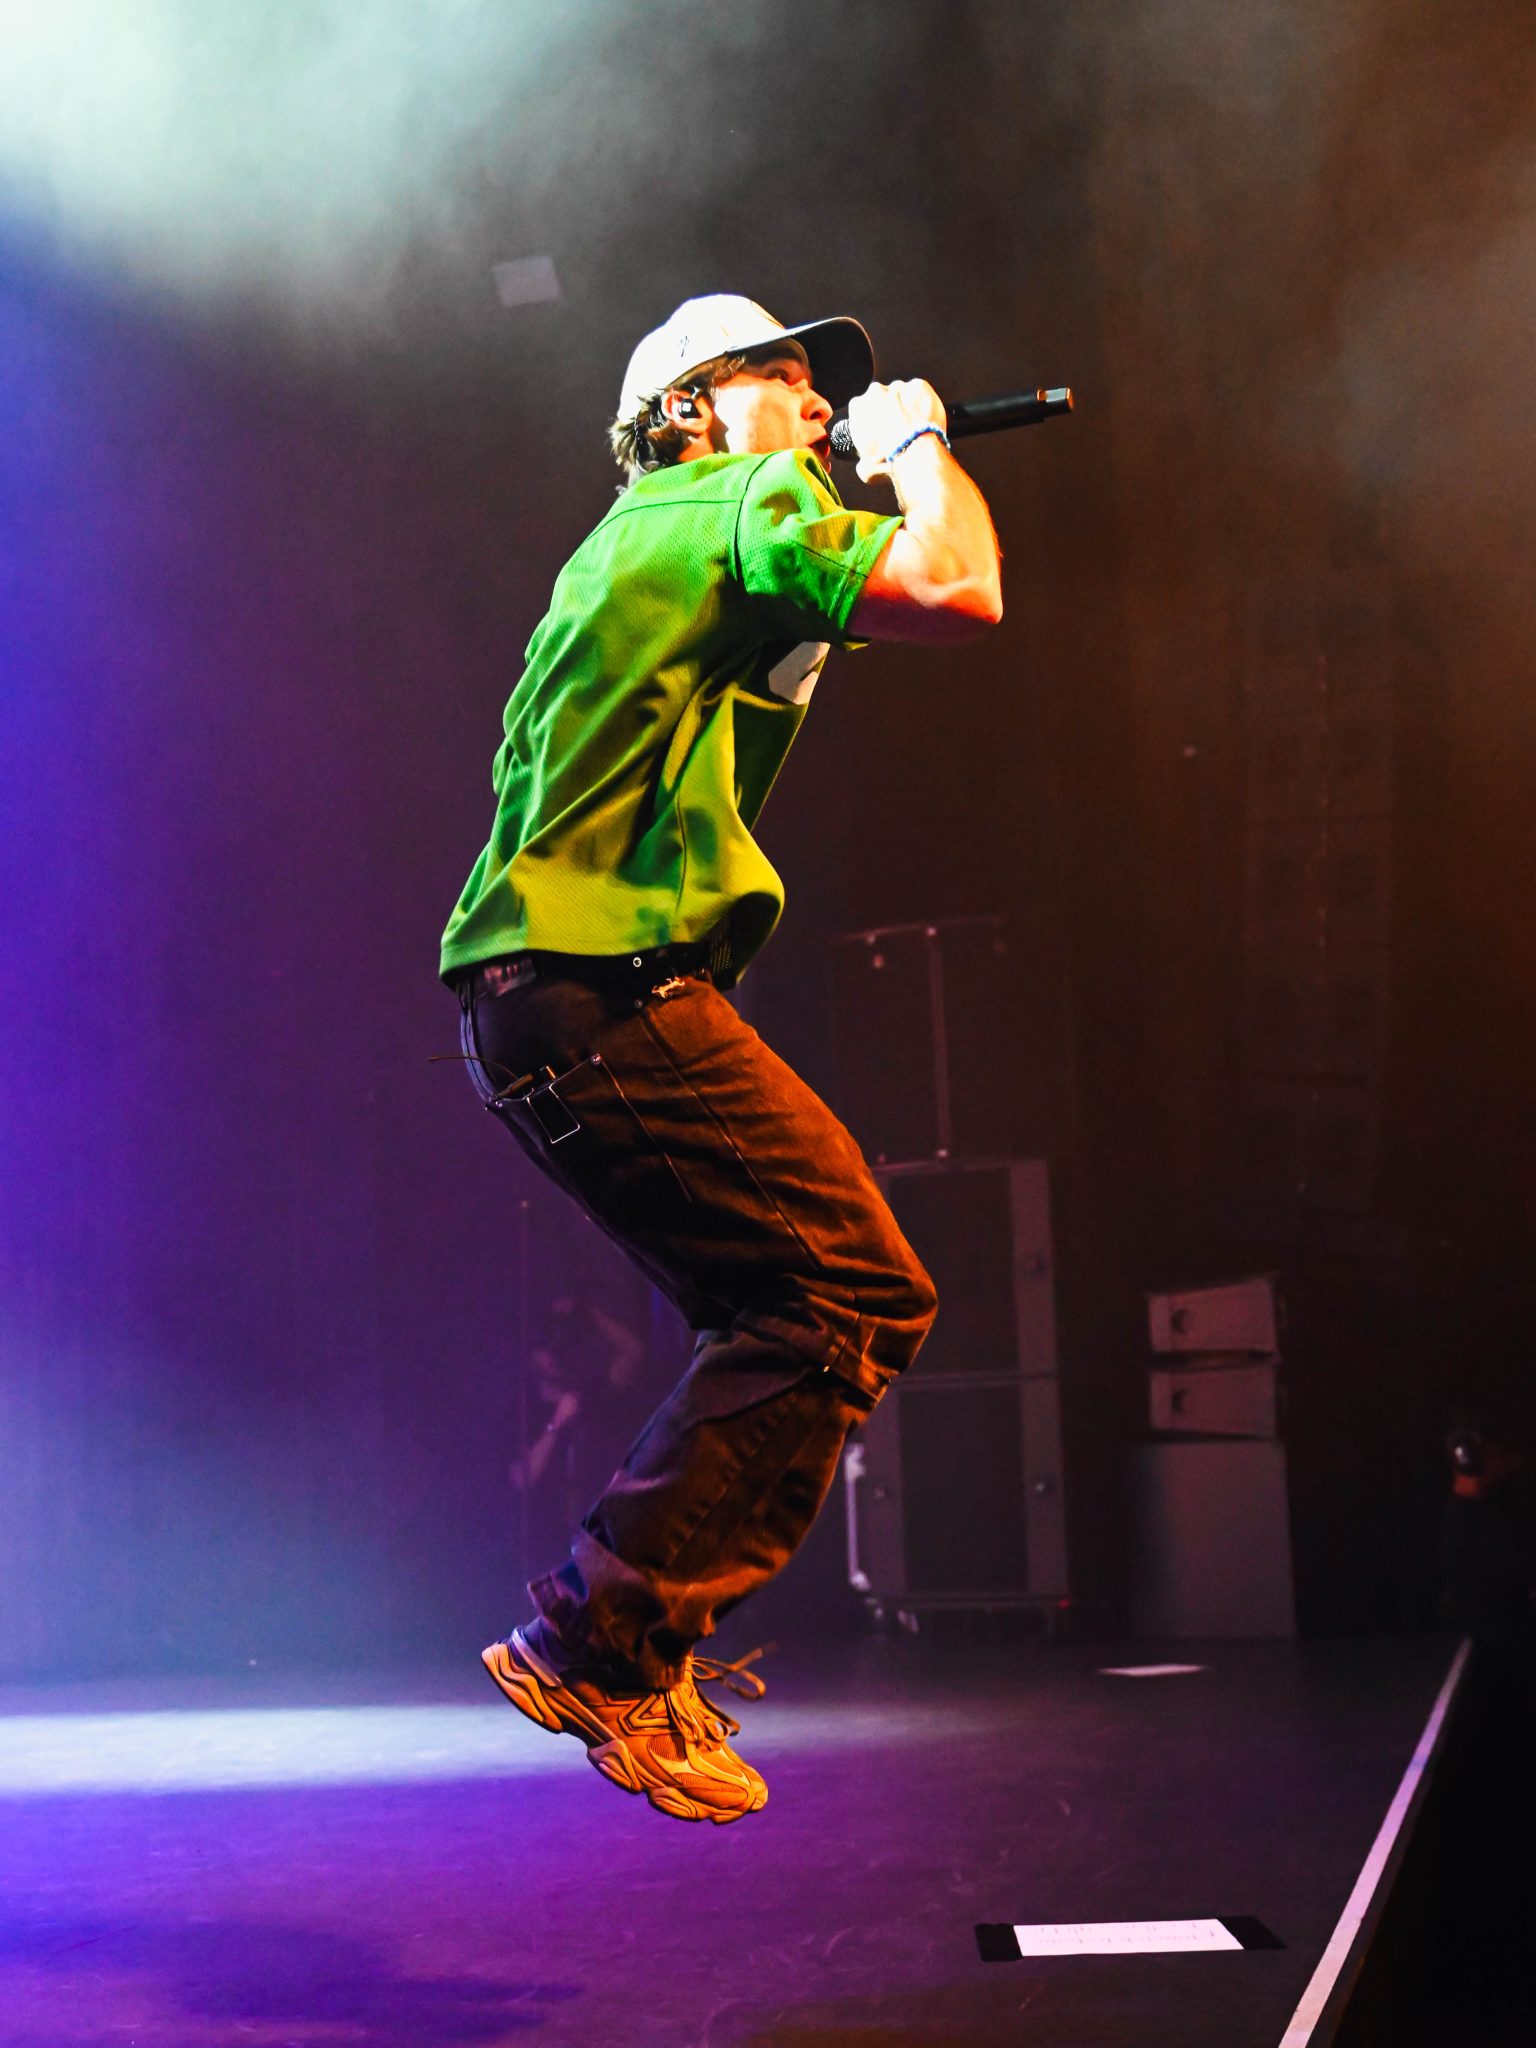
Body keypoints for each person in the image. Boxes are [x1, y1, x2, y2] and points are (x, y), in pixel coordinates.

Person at [442, 293, 1003, 1824]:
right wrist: (918, 448)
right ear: (689, 412)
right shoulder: (734, 499)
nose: (819, 410)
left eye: (833, 397)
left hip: (528, 1011)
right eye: (786, 382)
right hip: (615, 991)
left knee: (775, 1311)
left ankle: (619, 1646)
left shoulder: (619, 553)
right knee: (854, 1290)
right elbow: (956, 586)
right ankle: (598, 1641)